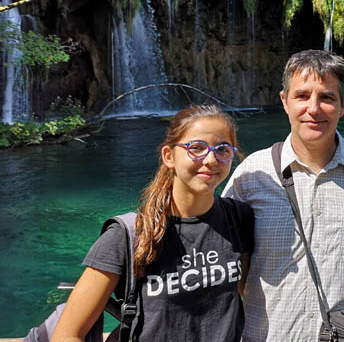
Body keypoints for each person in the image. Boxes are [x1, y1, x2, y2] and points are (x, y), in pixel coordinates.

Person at [223, 49, 344, 341]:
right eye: (302, 96)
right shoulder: (252, 175)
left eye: (327, 98)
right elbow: (226, 264)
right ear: (284, 102)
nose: (313, 109)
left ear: (343, 105)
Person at [52, 105, 254, 342]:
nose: (210, 160)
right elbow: (67, 334)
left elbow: (249, 296)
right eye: (196, 148)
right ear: (169, 156)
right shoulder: (127, 235)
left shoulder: (238, 218)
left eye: (222, 149)